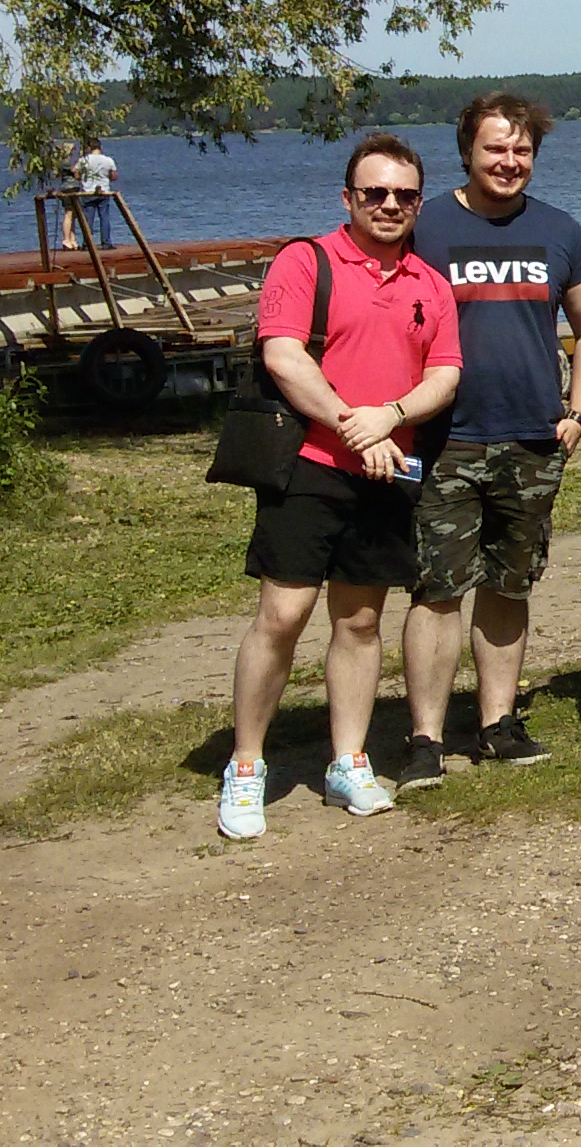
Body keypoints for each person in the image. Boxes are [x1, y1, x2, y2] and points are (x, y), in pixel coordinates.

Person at [218, 133, 462, 840]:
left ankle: (348, 760)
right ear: (348, 198)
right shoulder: (308, 261)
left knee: (359, 622)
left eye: (405, 195)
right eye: (375, 193)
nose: (390, 205)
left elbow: (444, 375)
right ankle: (246, 765)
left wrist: (391, 417)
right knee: (283, 616)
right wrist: (355, 424)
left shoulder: (429, 284)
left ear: (419, 202)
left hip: (387, 476)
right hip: (309, 469)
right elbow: (284, 355)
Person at [392, 92, 581, 786]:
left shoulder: (562, 232)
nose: (509, 162)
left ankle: (497, 723)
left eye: (521, 151)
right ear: (466, 152)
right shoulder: (423, 229)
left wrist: (578, 412)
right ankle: (424, 736)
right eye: (495, 148)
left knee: (510, 584)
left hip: (531, 438)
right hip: (440, 439)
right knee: (436, 589)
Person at [70, 138, 119, 248]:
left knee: (88, 219)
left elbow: (74, 171)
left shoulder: (84, 160)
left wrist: (80, 178)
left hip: (88, 192)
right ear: (100, 147)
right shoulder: (108, 160)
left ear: (89, 148)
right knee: (104, 217)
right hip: (104, 191)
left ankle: (87, 243)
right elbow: (114, 176)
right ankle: (106, 242)